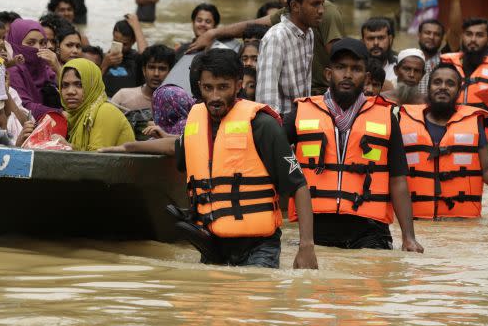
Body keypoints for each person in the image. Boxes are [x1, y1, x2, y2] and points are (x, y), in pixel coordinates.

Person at [103, 49, 318, 269]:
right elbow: (175, 146)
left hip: (258, 247)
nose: (215, 96)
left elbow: (298, 185)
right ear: (200, 87)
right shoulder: (197, 122)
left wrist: (306, 247)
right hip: (211, 243)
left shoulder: (262, 125)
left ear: (238, 84)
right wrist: (128, 146)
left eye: (222, 87)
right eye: (208, 88)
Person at [286, 38, 423, 252]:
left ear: (367, 77)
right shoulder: (300, 113)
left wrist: (409, 237)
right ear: (329, 74)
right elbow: (272, 160)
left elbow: (398, 180)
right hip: (316, 230)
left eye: (356, 69)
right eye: (341, 68)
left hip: (370, 231)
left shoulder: (386, 116)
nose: (348, 75)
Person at [187, 0, 346, 96]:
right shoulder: (282, 26)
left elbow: (341, 62)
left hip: (322, 93)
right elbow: (252, 25)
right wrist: (213, 33)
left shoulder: (323, 16)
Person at [398, 64, 488, 219]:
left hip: (461, 225)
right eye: (437, 82)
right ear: (428, 87)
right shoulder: (403, 121)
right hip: (417, 223)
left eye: (450, 84)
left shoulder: (475, 123)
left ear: (459, 90)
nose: (443, 87)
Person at [255, 0, 323, 115]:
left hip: (302, 119)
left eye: (322, 3)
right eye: (315, 4)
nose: (321, 10)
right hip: (281, 122)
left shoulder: (308, 33)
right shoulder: (276, 38)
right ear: (295, 6)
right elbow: (266, 102)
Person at [59, 58, 134, 151]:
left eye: (79, 84)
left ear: (92, 86)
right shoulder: (72, 117)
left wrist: (68, 147)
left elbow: (97, 160)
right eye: (65, 85)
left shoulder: (105, 112)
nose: (70, 91)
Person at [440, 18, 488, 142]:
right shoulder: (445, 63)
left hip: (487, 141)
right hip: (448, 137)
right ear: (462, 36)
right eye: (469, 34)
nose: (473, 39)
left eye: (479, 35)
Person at [110, 44, 176, 137]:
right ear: (144, 70)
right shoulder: (123, 96)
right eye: (151, 67)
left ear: (170, 72)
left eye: (162, 68)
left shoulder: (177, 104)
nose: (156, 74)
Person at [7, 19, 61, 120]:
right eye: (31, 43)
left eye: (42, 43)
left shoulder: (44, 67)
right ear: (15, 42)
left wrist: (58, 67)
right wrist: (60, 113)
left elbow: (69, 92)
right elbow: (25, 106)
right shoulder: (12, 70)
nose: (37, 48)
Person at [102, 14, 148, 97]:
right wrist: (105, 65)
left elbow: (147, 55)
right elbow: (91, 84)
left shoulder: (137, 59)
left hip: (130, 102)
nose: (120, 47)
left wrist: (136, 27)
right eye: (116, 41)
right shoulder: (104, 57)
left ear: (133, 41)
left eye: (124, 44)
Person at [361, 17, 398, 87]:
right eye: (370, 38)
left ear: (390, 39)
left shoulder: (400, 66)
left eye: (381, 38)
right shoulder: (356, 67)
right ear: (362, 41)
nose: (376, 43)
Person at [416, 19, 445, 95]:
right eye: (427, 33)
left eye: (437, 34)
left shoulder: (446, 62)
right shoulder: (409, 60)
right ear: (419, 35)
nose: (432, 37)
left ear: (442, 38)